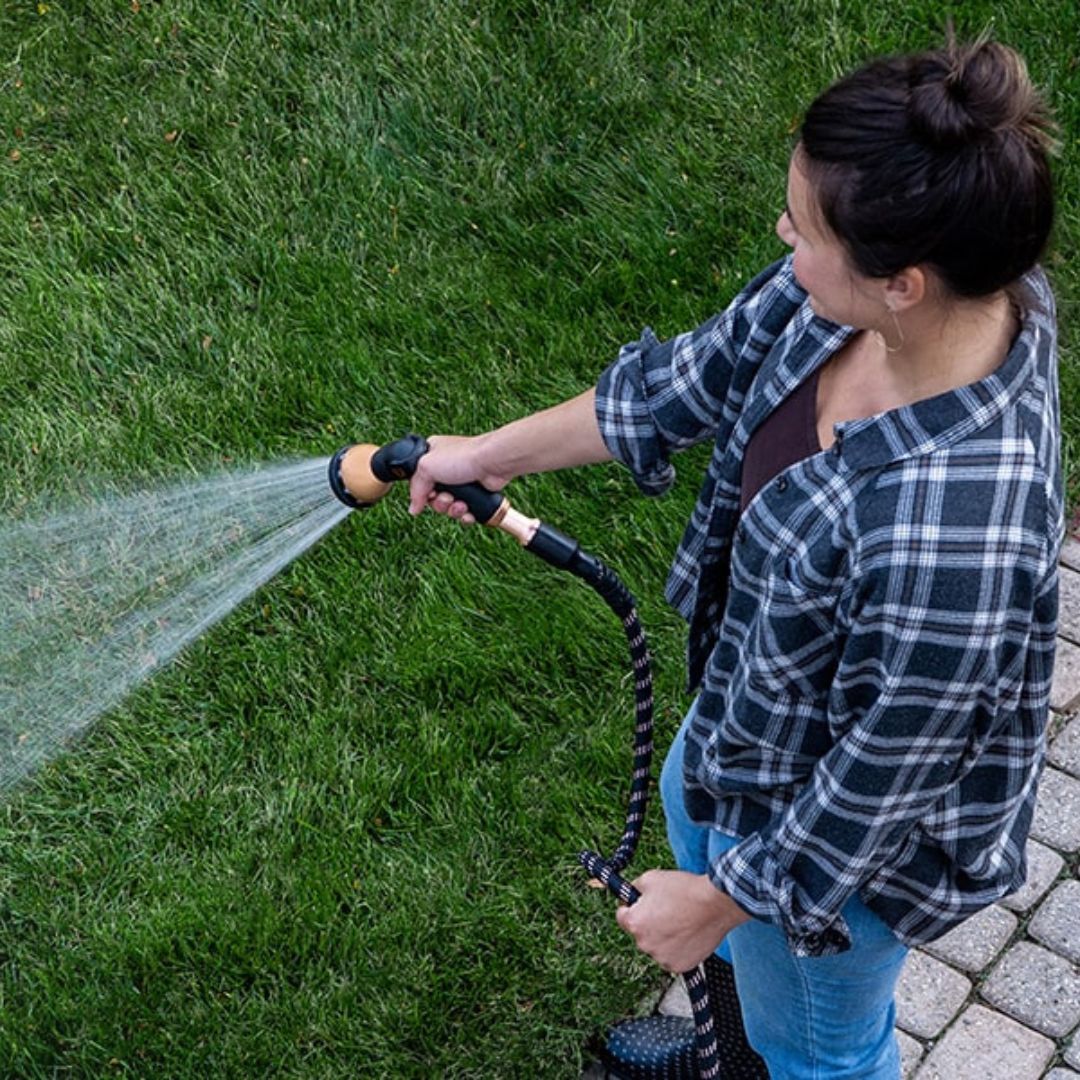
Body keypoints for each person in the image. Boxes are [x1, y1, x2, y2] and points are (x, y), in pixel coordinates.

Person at [407, 35, 1061, 1080]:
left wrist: (720, 902)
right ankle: (739, 1044)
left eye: (801, 229)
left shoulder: (957, 531)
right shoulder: (868, 308)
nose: (781, 239)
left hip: (839, 869)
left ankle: (770, 1049)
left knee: (825, 1054)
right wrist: (481, 454)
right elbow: (677, 390)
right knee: (731, 917)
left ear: (903, 282)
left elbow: (877, 784)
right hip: (748, 739)